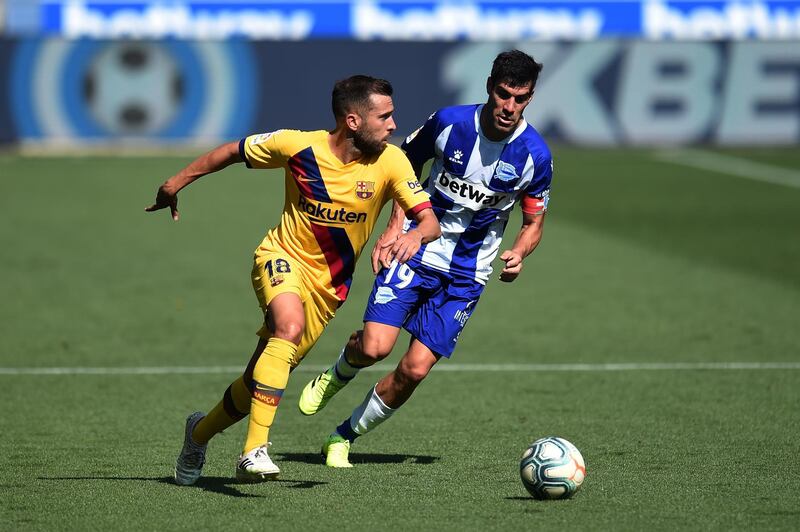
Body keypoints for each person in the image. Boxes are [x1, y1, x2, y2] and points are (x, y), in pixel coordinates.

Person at [146, 75, 440, 484]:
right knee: (288, 326)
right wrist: (176, 182)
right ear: (352, 121)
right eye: (384, 116)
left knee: (256, 385)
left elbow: (429, 220)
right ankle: (254, 451)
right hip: (280, 258)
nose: (393, 124)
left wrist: (411, 234)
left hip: (329, 289)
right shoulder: (298, 145)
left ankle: (197, 434)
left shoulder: (391, 161)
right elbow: (233, 151)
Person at [297, 50, 553, 468]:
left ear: (530, 98)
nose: (509, 107)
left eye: (520, 99)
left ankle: (342, 436)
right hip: (416, 250)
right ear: (490, 86)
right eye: (503, 94)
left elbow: (533, 222)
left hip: (467, 275)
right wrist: (396, 226)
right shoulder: (450, 122)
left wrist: (520, 253)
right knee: (377, 348)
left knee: (414, 370)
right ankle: (340, 372)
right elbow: (402, 166)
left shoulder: (535, 155)